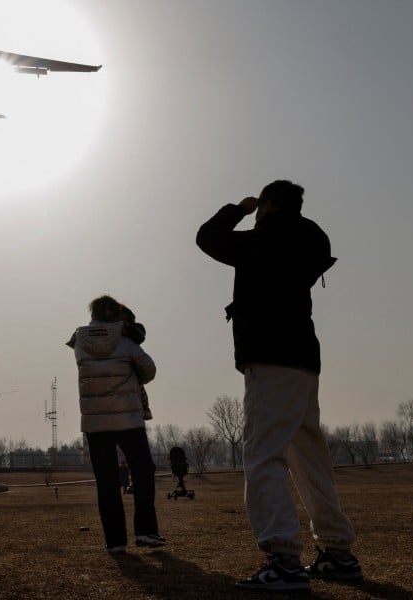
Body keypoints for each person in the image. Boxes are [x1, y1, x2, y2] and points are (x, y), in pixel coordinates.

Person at [196, 180, 361, 591]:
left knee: (263, 455)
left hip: (269, 358)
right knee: (309, 457)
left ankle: (284, 558)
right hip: (304, 359)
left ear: (267, 206)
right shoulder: (310, 239)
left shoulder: (261, 240)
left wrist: (237, 208)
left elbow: (207, 238)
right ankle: (338, 551)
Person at [69, 295, 165, 553]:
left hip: (94, 422)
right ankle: (145, 531)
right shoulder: (125, 341)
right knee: (143, 472)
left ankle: (115, 542)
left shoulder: (79, 342)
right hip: (127, 418)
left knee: (107, 482)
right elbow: (150, 370)